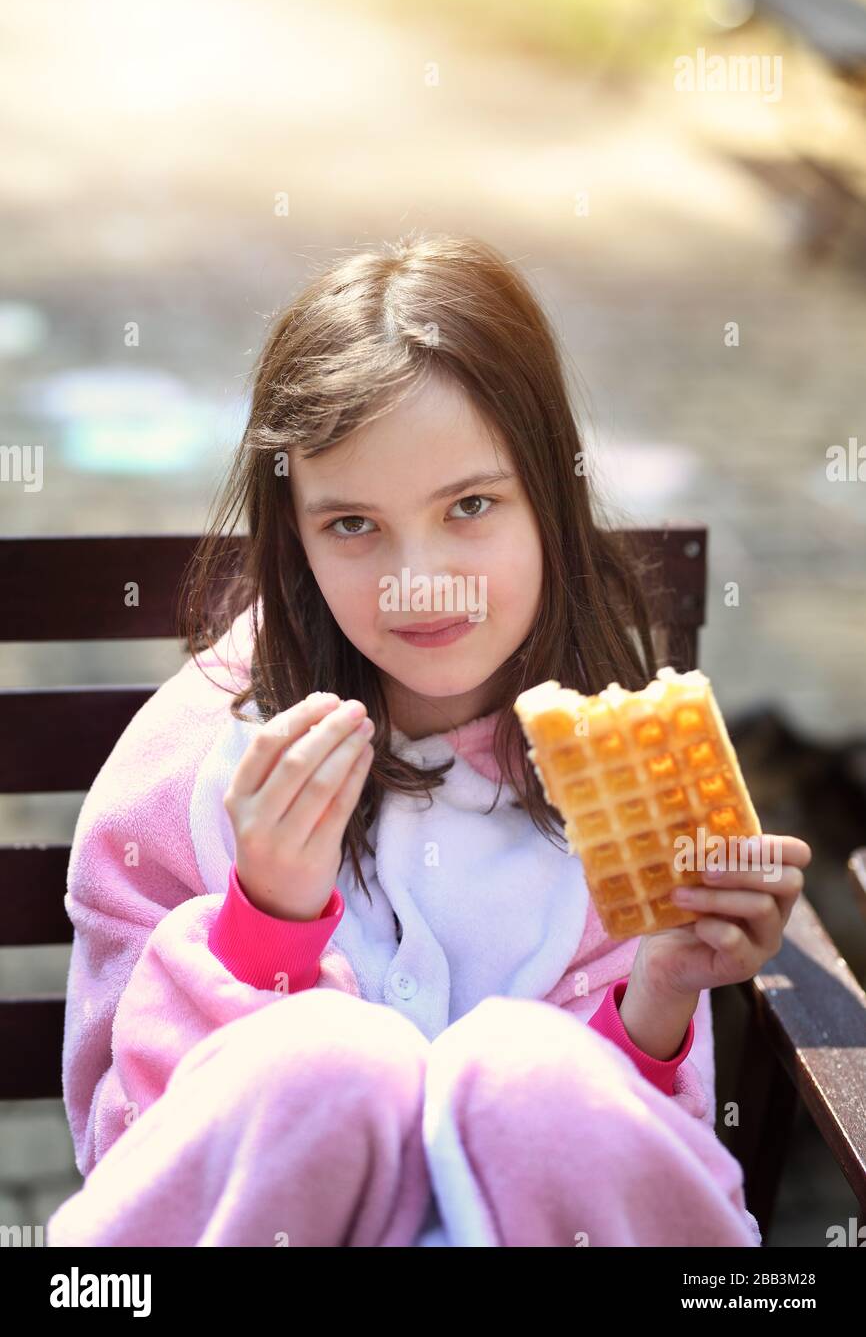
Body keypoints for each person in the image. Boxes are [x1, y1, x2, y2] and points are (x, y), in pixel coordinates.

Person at [47, 233, 809, 1248]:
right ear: (292, 531)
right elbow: (133, 1162)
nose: (419, 579)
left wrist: (663, 987)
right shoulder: (191, 773)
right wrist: (262, 923)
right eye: (353, 525)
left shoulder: (617, 782)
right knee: (323, 1064)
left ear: (550, 496)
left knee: (525, 1073)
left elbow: (620, 1161)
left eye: (469, 506)